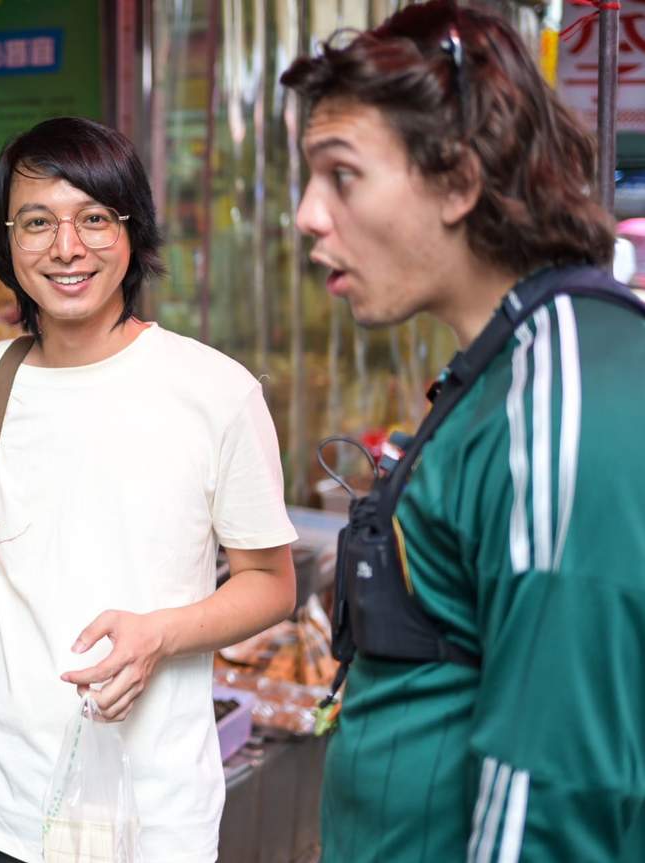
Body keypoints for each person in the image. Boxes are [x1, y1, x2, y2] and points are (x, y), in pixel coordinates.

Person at [0, 116, 298, 862]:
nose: (66, 247)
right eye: (36, 222)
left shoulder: (214, 390)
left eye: (94, 218)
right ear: (5, 239)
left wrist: (159, 634)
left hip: (151, 813)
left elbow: (268, 583)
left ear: (132, 231)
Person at [281, 2, 645, 860]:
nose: (305, 214)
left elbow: (552, 788)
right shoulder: (503, 362)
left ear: (456, 181)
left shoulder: (564, 387)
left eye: (341, 175)